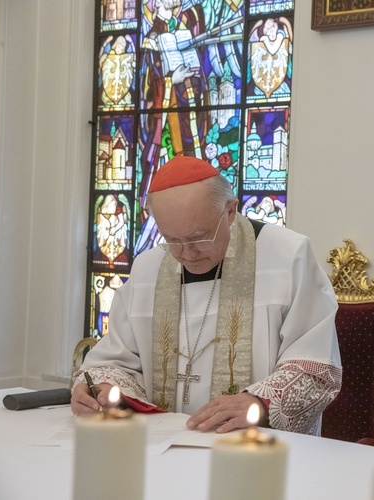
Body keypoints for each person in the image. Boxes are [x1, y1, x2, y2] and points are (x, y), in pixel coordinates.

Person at [72, 155, 342, 436]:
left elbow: (315, 367)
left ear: (229, 211)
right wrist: (103, 389)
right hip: (164, 446)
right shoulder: (147, 268)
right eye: (172, 240)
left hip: (257, 448)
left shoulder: (288, 257)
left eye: (198, 238)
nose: (186, 254)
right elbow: (116, 360)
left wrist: (257, 403)